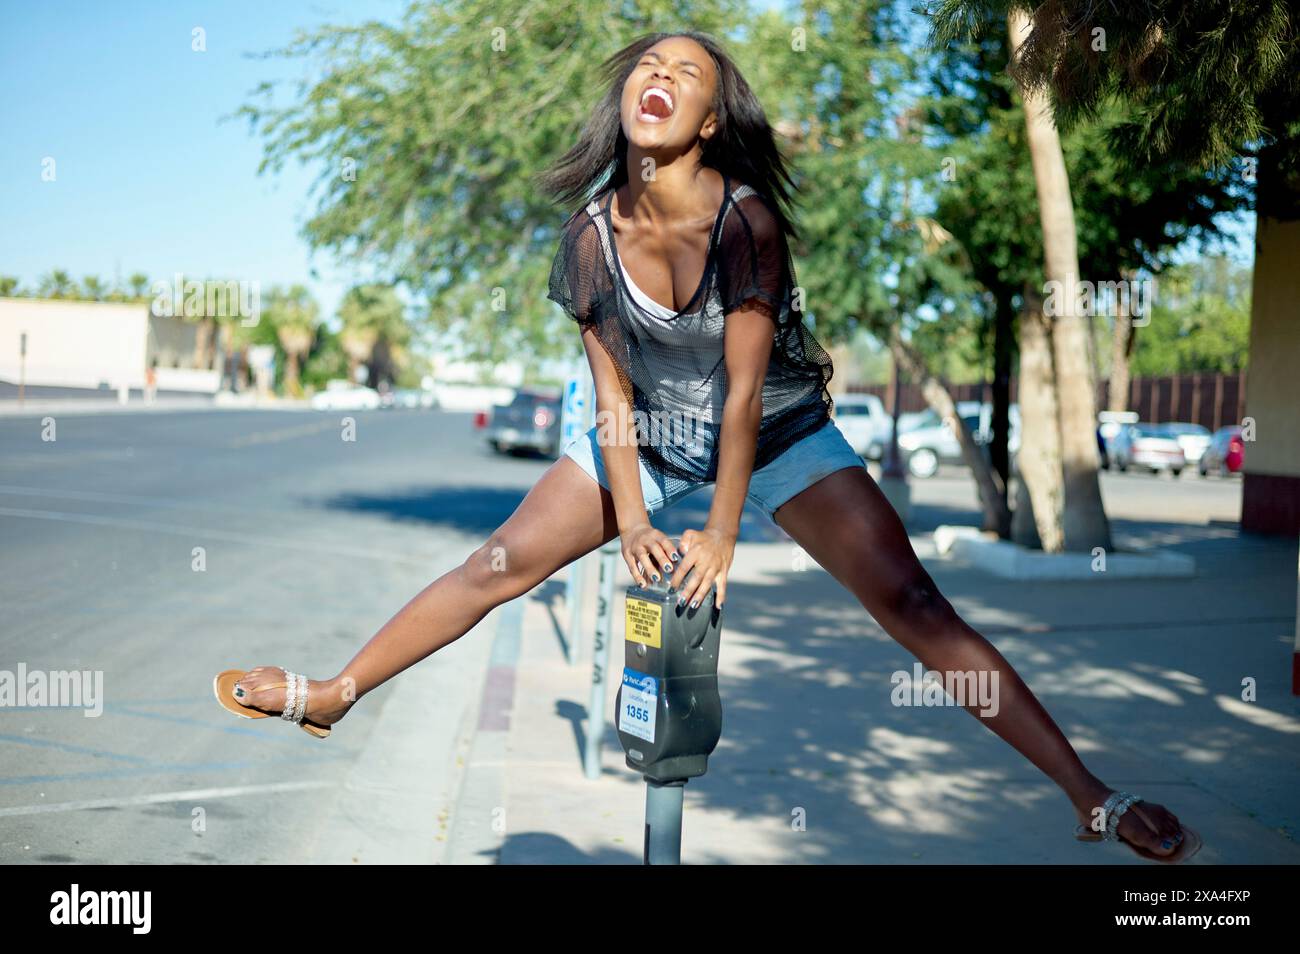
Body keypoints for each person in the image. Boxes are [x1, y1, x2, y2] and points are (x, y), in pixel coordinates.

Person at [220, 31, 1197, 862]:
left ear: (708, 124)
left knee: (909, 599)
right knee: (501, 561)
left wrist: (720, 535)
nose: (661, 77)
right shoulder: (589, 237)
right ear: (628, 102)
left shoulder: (746, 225)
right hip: (641, 437)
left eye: (687, 76)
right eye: (649, 65)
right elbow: (607, 392)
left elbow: (739, 394)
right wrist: (637, 518)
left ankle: (1086, 793)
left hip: (770, 434)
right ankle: (335, 692)